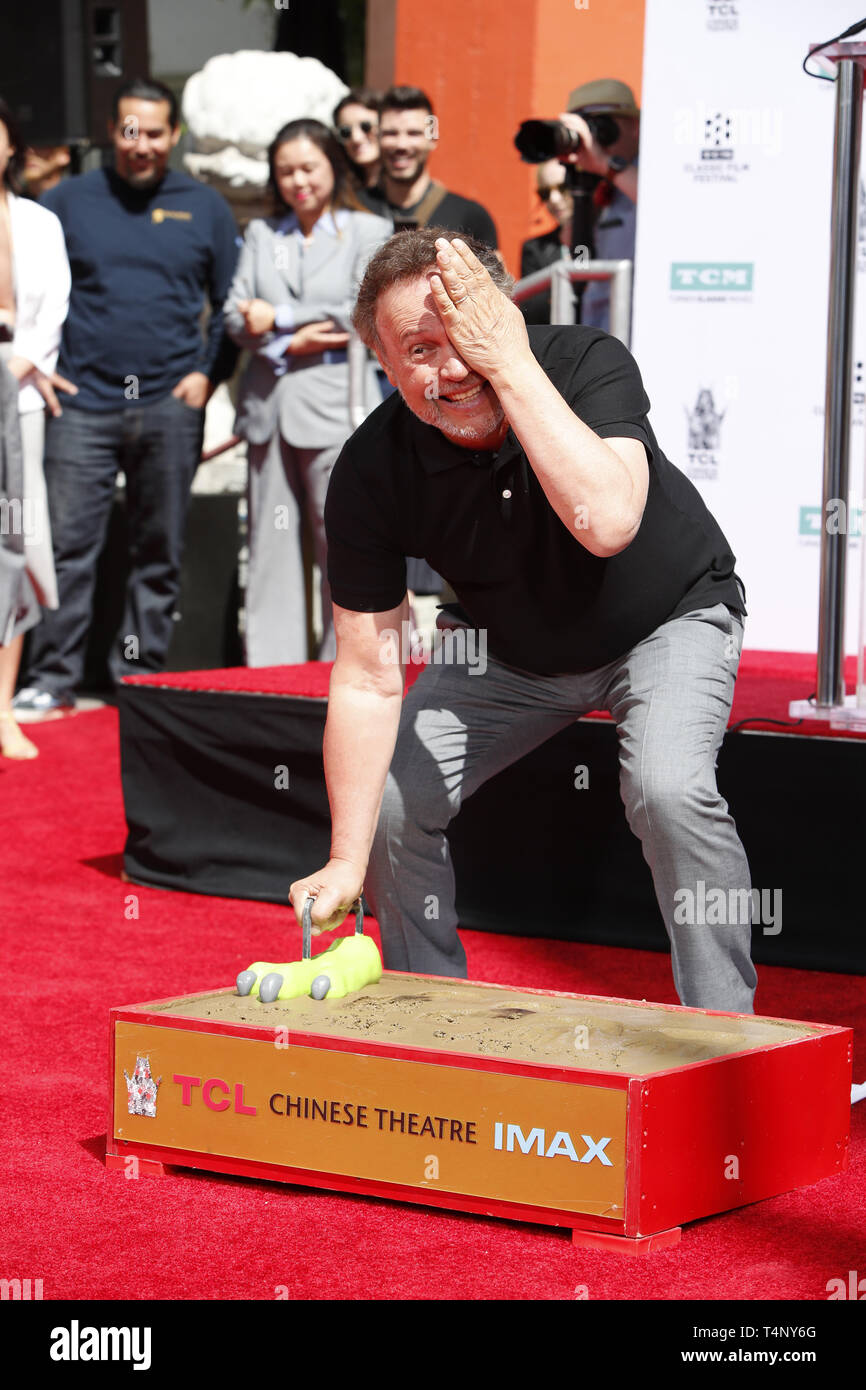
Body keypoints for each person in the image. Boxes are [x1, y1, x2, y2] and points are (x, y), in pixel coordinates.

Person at [288, 227, 757, 1017]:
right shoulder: (369, 470)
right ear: (383, 362)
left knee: (669, 788)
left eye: (467, 333)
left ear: (505, 317)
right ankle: (426, 1019)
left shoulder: (584, 360)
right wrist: (342, 859)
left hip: (665, 619)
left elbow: (606, 521)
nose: (454, 368)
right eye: (421, 348)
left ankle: (731, 1040)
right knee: (390, 805)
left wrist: (509, 361)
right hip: (507, 651)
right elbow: (369, 677)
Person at [13, 77, 240, 716]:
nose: (142, 144)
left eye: (156, 132)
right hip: (80, 405)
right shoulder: (66, 201)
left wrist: (209, 374)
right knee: (67, 549)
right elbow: (36, 290)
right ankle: (54, 678)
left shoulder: (206, 207)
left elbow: (230, 301)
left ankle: (136, 679)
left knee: (158, 549)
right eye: (129, 130)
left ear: (174, 136)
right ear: (114, 131)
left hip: (171, 404)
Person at [223, 119, 391, 666]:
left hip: (336, 405)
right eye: (286, 170)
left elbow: (360, 307)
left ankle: (341, 664)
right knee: (269, 546)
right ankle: (273, 669)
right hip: (268, 403)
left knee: (338, 540)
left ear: (332, 168)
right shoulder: (261, 235)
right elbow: (234, 313)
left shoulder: (368, 230)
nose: (298, 180)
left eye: (308, 167)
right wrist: (286, 343)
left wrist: (282, 317)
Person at [0, 97, 72, 757]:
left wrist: (15, 366)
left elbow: (49, 315)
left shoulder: (39, 223)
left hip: (16, 399)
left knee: (14, 545)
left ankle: (3, 708)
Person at [360, 86, 498, 248]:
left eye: (414, 133)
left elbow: (494, 273)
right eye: (391, 133)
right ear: (378, 138)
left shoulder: (471, 217)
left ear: (432, 139)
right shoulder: (354, 209)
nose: (401, 144)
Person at [557, 78, 639, 332]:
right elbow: (575, 247)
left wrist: (608, 166)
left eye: (600, 126)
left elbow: (664, 209)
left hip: (642, 322)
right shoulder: (598, 180)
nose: (593, 141)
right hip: (600, 321)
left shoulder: (650, 170)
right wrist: (581, 189)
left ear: (634, 126)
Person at [518, 159, 575, 325]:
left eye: (563, 187)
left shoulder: (604, 237)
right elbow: (534, 311)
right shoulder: (535, 248)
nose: (554, 199)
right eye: (545, 193)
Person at [332, 89, 384, 206]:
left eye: (366, 127)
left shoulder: (403, 189)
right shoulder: (337, 194)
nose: (356, 138)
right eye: (345, 131)